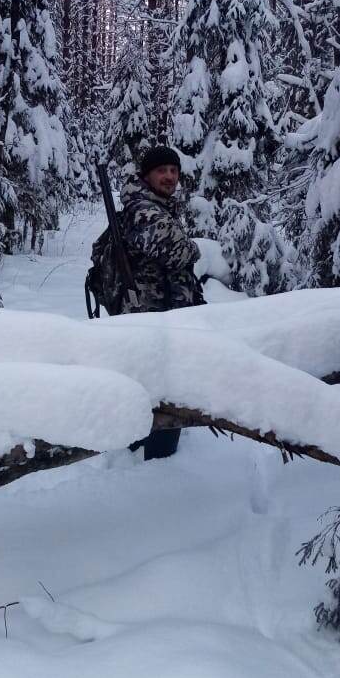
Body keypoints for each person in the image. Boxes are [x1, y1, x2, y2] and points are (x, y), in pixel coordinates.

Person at [120, 145, 204, 459]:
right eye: (161, 171)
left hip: (164, 314)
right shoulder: (143, 209)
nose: (169, 177)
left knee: (162, 385)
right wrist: (193, 248)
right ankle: (154, 461)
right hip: (149, 315)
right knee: (155, 388)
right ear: (146, 175)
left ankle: (151, 449)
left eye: (173, 170)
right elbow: (178, 251)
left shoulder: (161, 207)